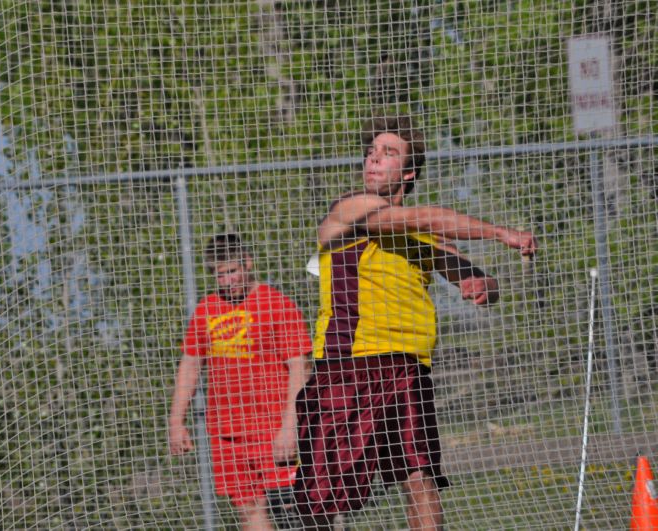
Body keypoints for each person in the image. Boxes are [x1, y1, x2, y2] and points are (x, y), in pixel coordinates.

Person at [294, 115, 538, 530]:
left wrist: (483, 285)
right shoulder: (349, 210)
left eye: (388, 153)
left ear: (407, 173)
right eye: (371, 151)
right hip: (346, 365)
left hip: (406, 368)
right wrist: (500, 232)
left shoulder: (422, 236)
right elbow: (423, 218)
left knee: (419, 476)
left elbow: (473, 276)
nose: (374, 159)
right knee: (323, 496)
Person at [169, 234, 312, 530]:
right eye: (220, 275)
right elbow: (190, 364)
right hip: (227, 432)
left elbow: (300, 367)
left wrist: (290, 426)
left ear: (248, 263)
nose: (227, 281)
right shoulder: (206, 309)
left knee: (293, 511)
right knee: (249, 512)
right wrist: (176, 421)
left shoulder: (276, 304)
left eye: (232, 271)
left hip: (272, 428)